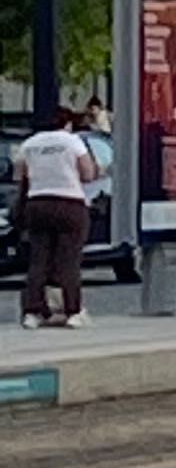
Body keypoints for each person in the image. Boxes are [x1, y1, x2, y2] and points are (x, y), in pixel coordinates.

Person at [15, 105, 96, 328]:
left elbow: (19, 174)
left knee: (39, 260)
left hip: (38, 203)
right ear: (66, 123)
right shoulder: (71, 141)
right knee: (68, 260)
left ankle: (33, 312)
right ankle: (73, 311)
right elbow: (88, 173)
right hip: (69, 203)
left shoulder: (30, 144)